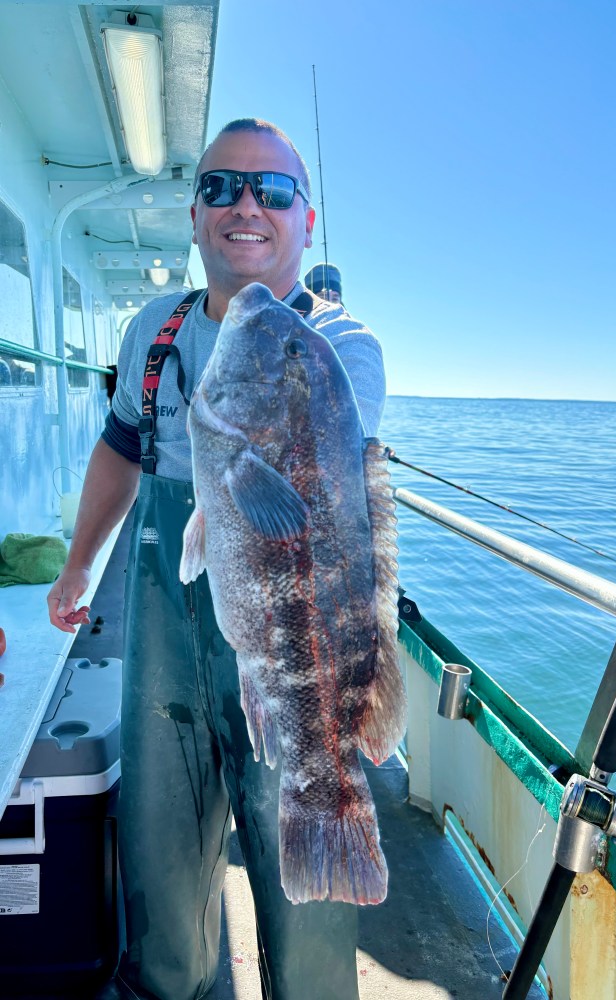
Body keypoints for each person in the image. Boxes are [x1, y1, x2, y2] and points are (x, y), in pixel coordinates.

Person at [47, 119, 386, 1000]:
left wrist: (242, 459)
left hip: (288, 628)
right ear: (194, 216)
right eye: (222, 187)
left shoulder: (339, 345)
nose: (247, 206)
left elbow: (339, 505)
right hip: (165, 610)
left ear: (304, 222)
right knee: (159, 843)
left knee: (293, 853)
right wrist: (80, 565)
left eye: (272, 192)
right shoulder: (151, 332)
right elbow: (122, 448)